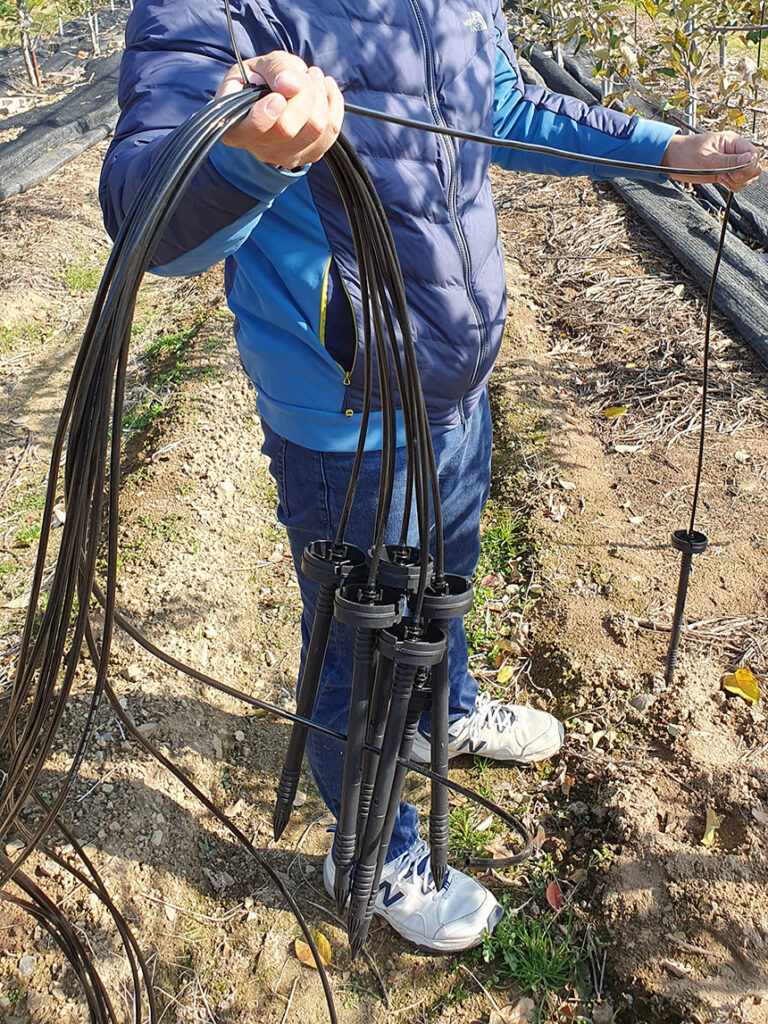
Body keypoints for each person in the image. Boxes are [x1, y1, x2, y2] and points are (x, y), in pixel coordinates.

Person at [100, 0, 761, 953]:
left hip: (457, 373)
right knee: (357, 659)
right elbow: (146, 216)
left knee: (448, 577)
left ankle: (446, 712)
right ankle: (371, 852)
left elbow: (491, 104)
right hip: (345, 414)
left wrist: (663, 150)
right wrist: (254, 151)